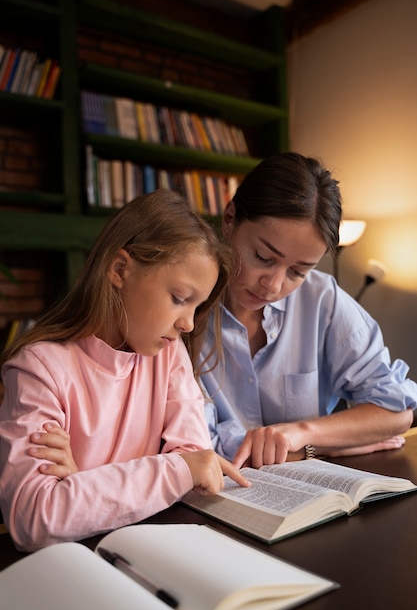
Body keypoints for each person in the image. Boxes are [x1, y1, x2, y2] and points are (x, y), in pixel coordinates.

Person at [0, 189, 249, 552]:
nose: (190, 325)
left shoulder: (169, 356)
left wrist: (82, 482)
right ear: (120, 270)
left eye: (197, 307)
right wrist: (174, 471)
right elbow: (35, 518)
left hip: (152, 551)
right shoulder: (39, 369)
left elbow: (199, 468)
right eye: (180, 299)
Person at [198, 152, 416, 468]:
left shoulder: (322, 299)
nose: (273, 286)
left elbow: (396, 411)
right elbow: (200, 448)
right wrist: (322, 449)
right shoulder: (185, 306)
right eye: (263, 256)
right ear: (230, 219)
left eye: (298, 271)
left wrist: (301, 433)